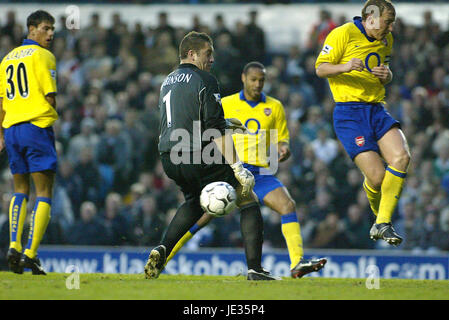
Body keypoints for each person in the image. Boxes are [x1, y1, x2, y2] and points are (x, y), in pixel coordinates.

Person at [163, 62, 327, 278]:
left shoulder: (275, 106)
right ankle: (162, 259)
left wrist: (283, 149)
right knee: (201, 218)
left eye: (262, 80)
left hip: (260, 173)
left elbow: (281, 140)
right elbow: (211, 132)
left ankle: (297, 262)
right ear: (243, 78)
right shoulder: (227, 103)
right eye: (253, 80)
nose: (258, 84)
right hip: (232, 170)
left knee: (288, 205)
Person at [145, 31, 278, 281]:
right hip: (196, 153)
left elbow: (185, 119)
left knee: (194, 201)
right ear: (192, 54)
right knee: (246, 195)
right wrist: (238, 167)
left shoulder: (168, 81)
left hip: (168, 157)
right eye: (208, 53)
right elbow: (214, 131)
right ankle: (255, 269)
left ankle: (162, 248)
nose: (212, 59)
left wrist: (226, 122)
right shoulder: (206, 79)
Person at [315, 0, 411, 245]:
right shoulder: (343, 34)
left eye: (392, 23)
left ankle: (383, 223)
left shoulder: (386, 40)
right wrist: (345, 66)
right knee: (377, 178)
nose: (390, 29)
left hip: (377, 108)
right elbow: (320, 69)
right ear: (370, 19)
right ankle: (379, 218)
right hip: (349, 113)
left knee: (401, 158)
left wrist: (388, 75)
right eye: (387, 22)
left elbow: (385, 71)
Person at [0, 10, 57, 275]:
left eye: (52, 29)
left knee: (19, 188)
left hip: (11, 129)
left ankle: (13, 244)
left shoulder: (7, 58)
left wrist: (0, 134)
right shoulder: (44, 56)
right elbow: (50, 97)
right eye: (45, 28)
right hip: (36, 126)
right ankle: (30, 254)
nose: (51, 34)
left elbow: (2, 103)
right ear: (31, 29)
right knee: (43, 192)